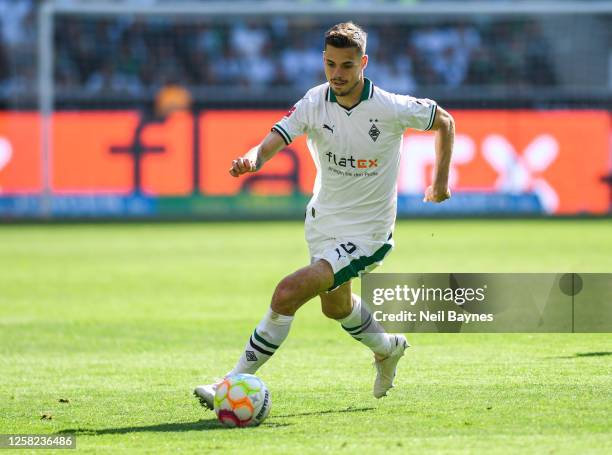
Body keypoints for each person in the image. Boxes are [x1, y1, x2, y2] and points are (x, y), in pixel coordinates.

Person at [194, 22, 454, 408]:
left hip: (367, 234)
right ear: (323, 61)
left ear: (363, 63)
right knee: (335, 307)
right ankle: (388, 348)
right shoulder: (315, 101)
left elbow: (444, 121)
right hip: (323, 223)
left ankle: (230, 382)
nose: (337, 74)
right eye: (331, 64)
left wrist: (440, 183)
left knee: (288, 292)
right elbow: (278, 136)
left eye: (346, 65)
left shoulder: (390, 107)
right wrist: (253, 157)